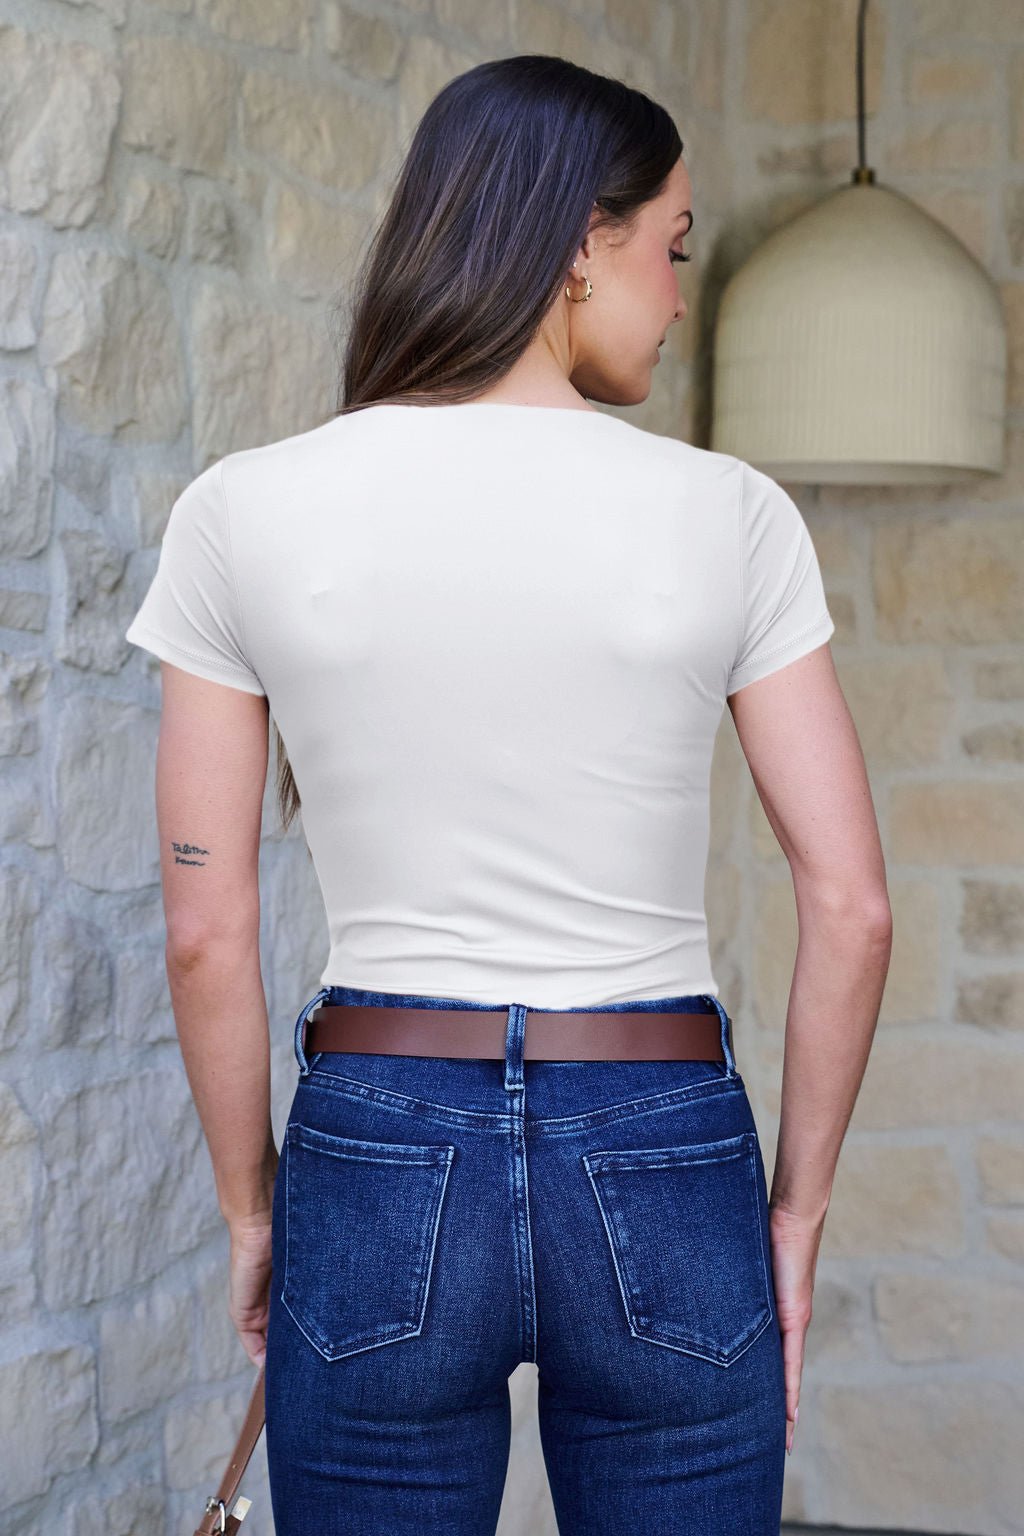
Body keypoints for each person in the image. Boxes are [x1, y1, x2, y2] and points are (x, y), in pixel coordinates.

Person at [124, 53, 892, 1536]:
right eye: (672, 249)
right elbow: (852, 908)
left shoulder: (242, 510)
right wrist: (794, 1215)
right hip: (662, 1134)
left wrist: (252, 1213)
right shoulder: (729, 514)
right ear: (580, 243)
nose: (677, 298)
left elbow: (205, 934)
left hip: (381, 1137)